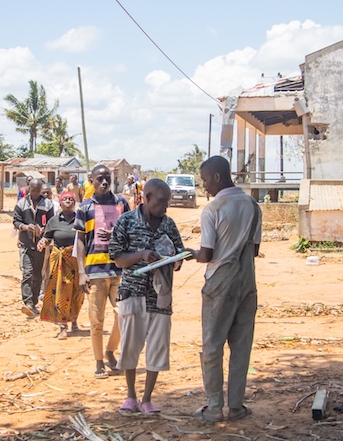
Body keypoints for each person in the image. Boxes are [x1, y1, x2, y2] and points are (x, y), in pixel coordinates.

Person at [188, 156, 262, 423]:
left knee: (212, 344)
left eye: (205, 179)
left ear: (217, 177)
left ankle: (214, 406)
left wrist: (192, 254)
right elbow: (254, 249)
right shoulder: (252, 206)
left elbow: (207, 254)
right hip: (247, 279)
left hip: (220, 279)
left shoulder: (213, 209)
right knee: (241, 345)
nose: (204, 185)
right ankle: (237, 406)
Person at [109, 179, 184, 414]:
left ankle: (148, 398)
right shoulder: (126, 221)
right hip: (133, 292)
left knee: (158, 347)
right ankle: (130, 396)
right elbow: (118, 258)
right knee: (130, 345)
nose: (165, 208)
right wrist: (142, 255)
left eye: (167, 203)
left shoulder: (169, 225)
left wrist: (174, 260)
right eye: (161, 202)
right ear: (146, 197)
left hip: (160, 298)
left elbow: (179, 255)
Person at [74, 164, 131, 379]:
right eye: (100, 179)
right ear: (91, 180)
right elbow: (80, 240)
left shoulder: (121, 203)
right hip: (95, 271)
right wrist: (81, 272)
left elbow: (131, 231)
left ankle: (110, 350)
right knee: (96, 319)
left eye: (107, 178)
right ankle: (99, 360)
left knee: (123, 314)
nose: (104, 182)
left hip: (119, 269)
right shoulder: (85, 207)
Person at [37, 191, 83, 339]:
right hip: (60, 262)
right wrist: (43, 243)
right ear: (61, 203)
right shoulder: (53, 221)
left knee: (77, 293)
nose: (68, 201)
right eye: (65, 199)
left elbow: (85, 238)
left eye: (71, 199)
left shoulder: (80, 220)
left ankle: (74, 319)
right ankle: (63, 326)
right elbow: (47, 238)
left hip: (76, 261)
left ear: (74, 203)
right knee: (61, 293)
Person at [13, 178, 55, 318]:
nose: (36, 193)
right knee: (27, 273)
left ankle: (34, 302)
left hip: (41, 245)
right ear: (28, 189)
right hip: (26, 244)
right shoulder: (21, 204)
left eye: (38, 190)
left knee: (37, 275)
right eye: (33, 190)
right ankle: (27, 302)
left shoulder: (47, 204)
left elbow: (51, 222)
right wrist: (25, 227)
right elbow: (16, 221)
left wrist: (44, 230)